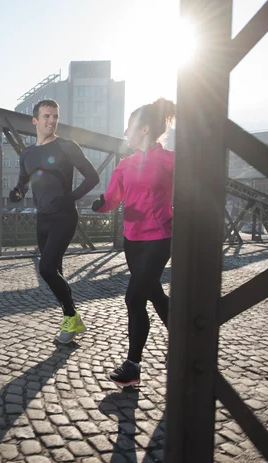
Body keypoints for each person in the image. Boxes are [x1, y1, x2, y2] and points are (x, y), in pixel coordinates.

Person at [92, 98, 176, 387]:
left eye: (129, 127)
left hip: (159, 239)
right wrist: (100, 205)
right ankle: (181, 338)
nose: (125, 132)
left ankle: (133, 366)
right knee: (153, 293)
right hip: (132, 241)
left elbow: (192, 192)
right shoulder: (125, 165)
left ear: (144, 129)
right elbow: (114, 197)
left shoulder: (170, 160)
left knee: (134, 297)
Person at [10, 99, 100, 343]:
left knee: (46, 269)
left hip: (64, 216)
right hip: (43, 219)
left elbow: (92, 177)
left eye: (55, 116)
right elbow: (22, 182)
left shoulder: (67, 146)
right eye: (46, 116)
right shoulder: (27, 154)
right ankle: (70, 322)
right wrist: (17, 192)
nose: (51, 121)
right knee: (55, 271)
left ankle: (72, 316)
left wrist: (69, 198)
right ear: (35, 120)